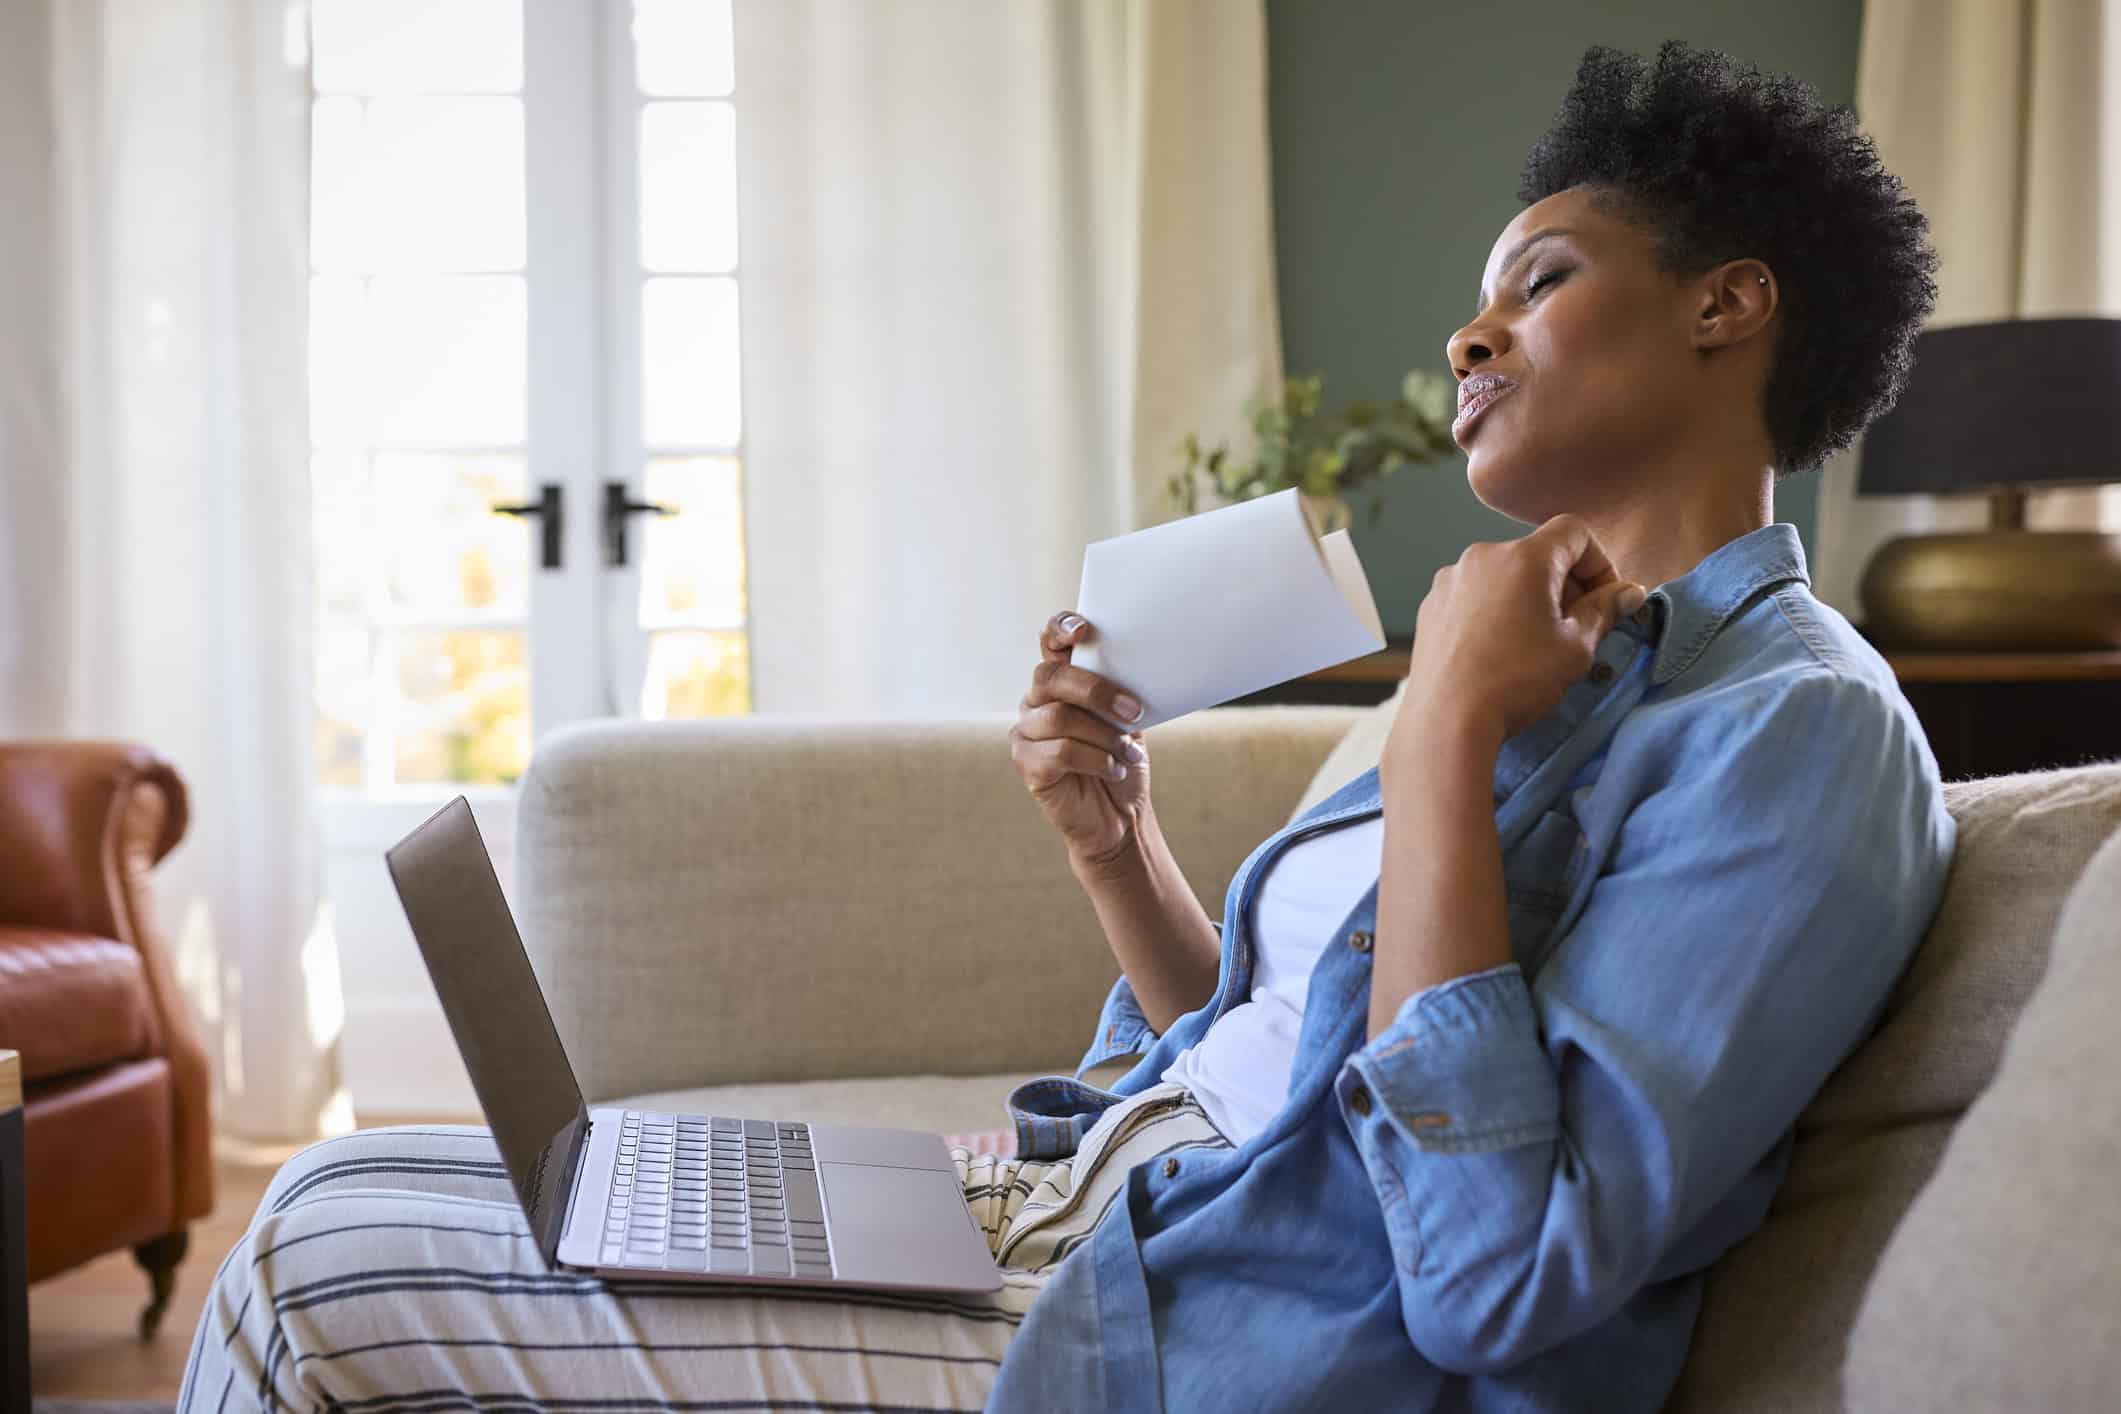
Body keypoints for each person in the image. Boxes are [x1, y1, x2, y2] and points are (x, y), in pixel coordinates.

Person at [177, 38, 1956, 1414]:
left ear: (1727, 303)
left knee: (308, 1254)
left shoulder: (1797, 734)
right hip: (1077, 1210)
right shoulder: (1537, 657)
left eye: (1539, 279)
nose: (1467, 330)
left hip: (1186, 1343)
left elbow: (1486, 1275)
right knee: (389, 1180)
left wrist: (1437, 735)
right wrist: (1121, 849)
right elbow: (1273, 1072)